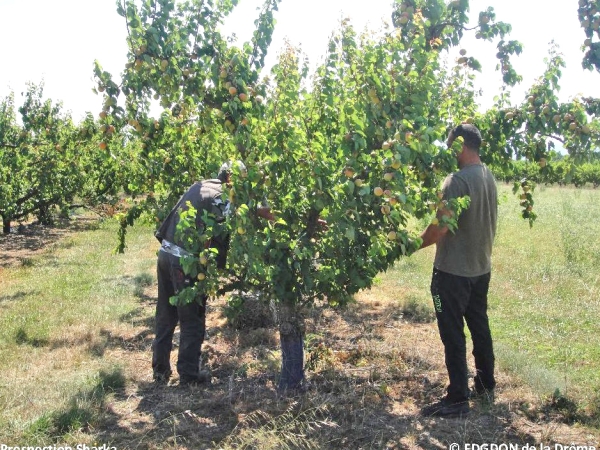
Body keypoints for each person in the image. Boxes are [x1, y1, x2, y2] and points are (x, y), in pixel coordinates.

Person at [152, 161, 273, 386]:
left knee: (166, 314)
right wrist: (264, 213)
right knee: (192, 318)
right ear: (231, 179)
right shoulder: (222, 194)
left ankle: (160, 371)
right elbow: (237, 214)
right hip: (185, 261)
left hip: (166, 252)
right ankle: (189, 376)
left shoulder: (202, 185)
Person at [418, 124, 498, 417]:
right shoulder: (487, 175)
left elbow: (440, 228)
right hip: (480, 268)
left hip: (451, 274)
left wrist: (408, 244)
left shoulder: (456, 181)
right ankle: (486, 384)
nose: (447, 149)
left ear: (460, 145)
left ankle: (457, 398)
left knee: (452, 332)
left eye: (450, 144)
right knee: (479, 325)